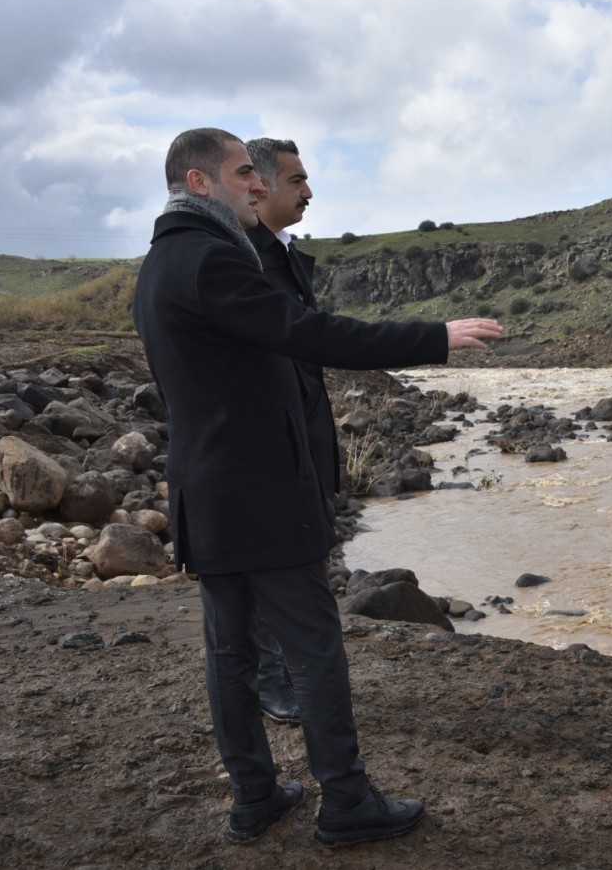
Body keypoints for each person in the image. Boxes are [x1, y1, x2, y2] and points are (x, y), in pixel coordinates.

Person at [132, 127, 502, 846]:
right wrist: (434, 336)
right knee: (313, 649)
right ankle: (347, 802)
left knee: (231, 654)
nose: (261, 184)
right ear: (200, 182)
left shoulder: (161, 262)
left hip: (205, 493)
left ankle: (255, 797)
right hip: (263, 493)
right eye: (245, 173)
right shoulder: (211, 260)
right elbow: (314, 333)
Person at [240, 137, 329, 727]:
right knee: (265, 569)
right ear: (260, 185)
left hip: (301, 433)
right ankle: (270, 678)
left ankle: (286, 675)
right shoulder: (242, 259)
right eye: (296, 180)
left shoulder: (286, 253)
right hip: (267, 443)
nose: (309, 191)